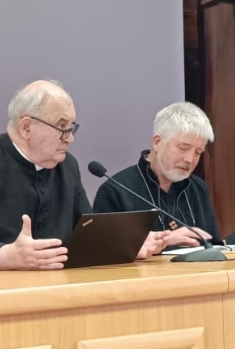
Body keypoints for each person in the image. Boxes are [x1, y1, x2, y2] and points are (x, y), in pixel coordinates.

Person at [0, 80, 165, 271]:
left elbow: (86, 233)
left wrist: (123, 245)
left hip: (59, 293)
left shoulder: (67, 167)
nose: (70, 138)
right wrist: (4, 256)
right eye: (62, 126)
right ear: (26, 127)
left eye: (72, 127)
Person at [92, 102, 220, 247]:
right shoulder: (116, 190)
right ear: (157, 142)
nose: (190, 159)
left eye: (198, 152)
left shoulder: (198, 188)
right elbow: (104, 251)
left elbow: (215, 245)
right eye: (183, 148)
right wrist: (164, 240)